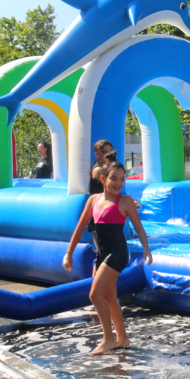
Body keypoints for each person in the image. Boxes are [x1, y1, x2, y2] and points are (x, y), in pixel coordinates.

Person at [63, 152, 152, 355]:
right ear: (103, 179)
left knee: (95, 295)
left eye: (122, 179)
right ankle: (122, 338)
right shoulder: (93, 200)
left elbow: (138, 227)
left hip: (118, 253)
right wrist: (68, 253)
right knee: (110, 297)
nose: (118, 183)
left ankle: (108, 338)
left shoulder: (125, 201)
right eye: (113, 178)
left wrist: (146, 248)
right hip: (101, 254)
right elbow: (79, 228)